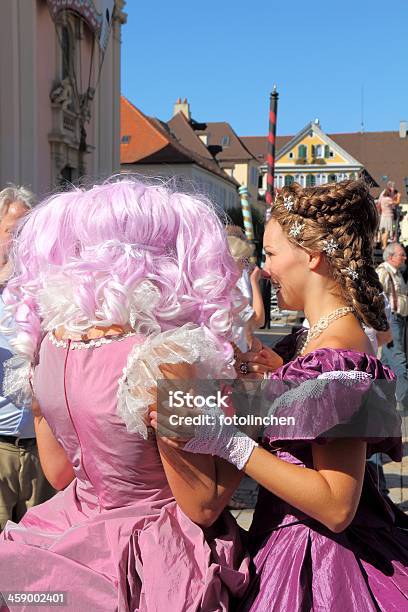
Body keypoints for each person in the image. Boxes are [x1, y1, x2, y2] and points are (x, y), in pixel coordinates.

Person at [152, 180, 408, 611]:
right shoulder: (310, 341)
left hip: (323, 560)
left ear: (311, 256)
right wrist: (273, 376)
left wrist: (226, 443)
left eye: (270, 254)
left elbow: (336, 505)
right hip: (290, 537)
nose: (264, 270)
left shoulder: (338, 356)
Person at [0, 179, 250, 611]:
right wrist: (252, 423)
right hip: (153, 557)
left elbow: (60, 474)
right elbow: (201, 505)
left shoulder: (49, 344)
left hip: (69, 536)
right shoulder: (166, 356)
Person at [0, 185, 53, 532]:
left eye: (25, 232)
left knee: (41, 557)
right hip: (0, 449)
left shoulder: (48, 288)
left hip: (44, 449)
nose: (19, 241)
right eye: (11, 231)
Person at [377, 242, 408, 411]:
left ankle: (377, 398)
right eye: (401, 255)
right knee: (400, 362)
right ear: (390, 257)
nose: (404, 257)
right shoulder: (383, 272)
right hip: (391, 322)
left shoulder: (397, 273)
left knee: (386, 364)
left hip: (399, 322)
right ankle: (403, 402)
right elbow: (376, 297)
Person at [226, 229, 265, 351]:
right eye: (243, 260)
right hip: (234, 360)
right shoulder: (230, 293)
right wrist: (255, 282)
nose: (245, 266)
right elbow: (259, 321)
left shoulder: (216, 289)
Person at [377, 182, 398, 249]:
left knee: (383, 231)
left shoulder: (382, 199)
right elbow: (396, 203)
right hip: (388, 217)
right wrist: (398, 196)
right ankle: (385, 246)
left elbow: (379, 205)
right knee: (387, 231)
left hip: (383, 216)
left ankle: (383, 244)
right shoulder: (389, 200)